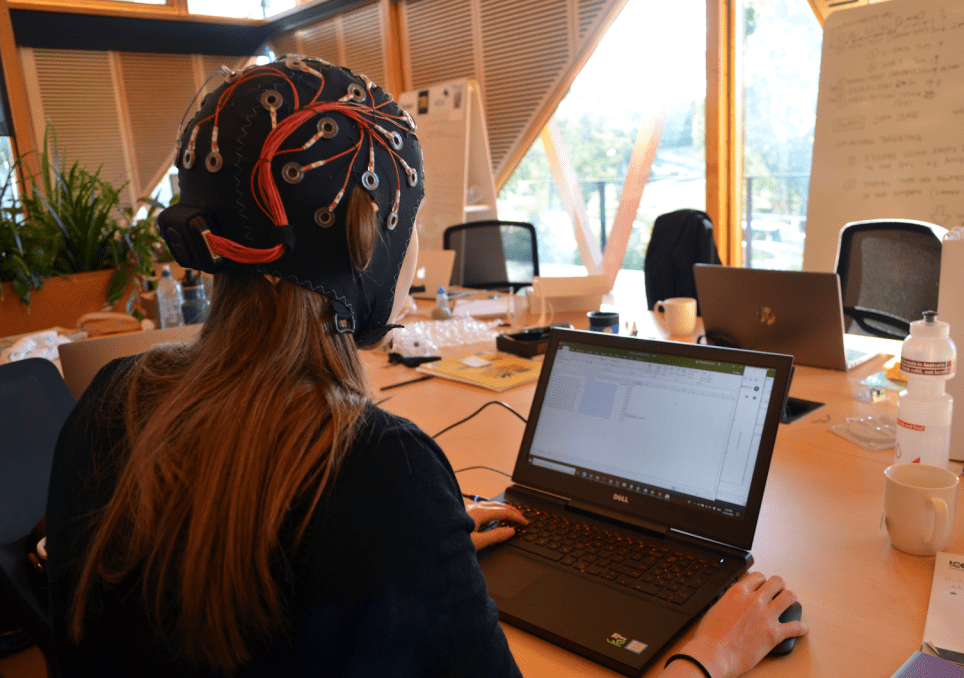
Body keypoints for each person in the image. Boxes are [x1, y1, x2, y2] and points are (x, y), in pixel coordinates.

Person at [45, 56, 806, 677]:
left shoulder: (113, 399)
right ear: (365, 242)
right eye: (410, 219)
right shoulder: (377, 470)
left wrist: (420, 552)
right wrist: (710, 656)